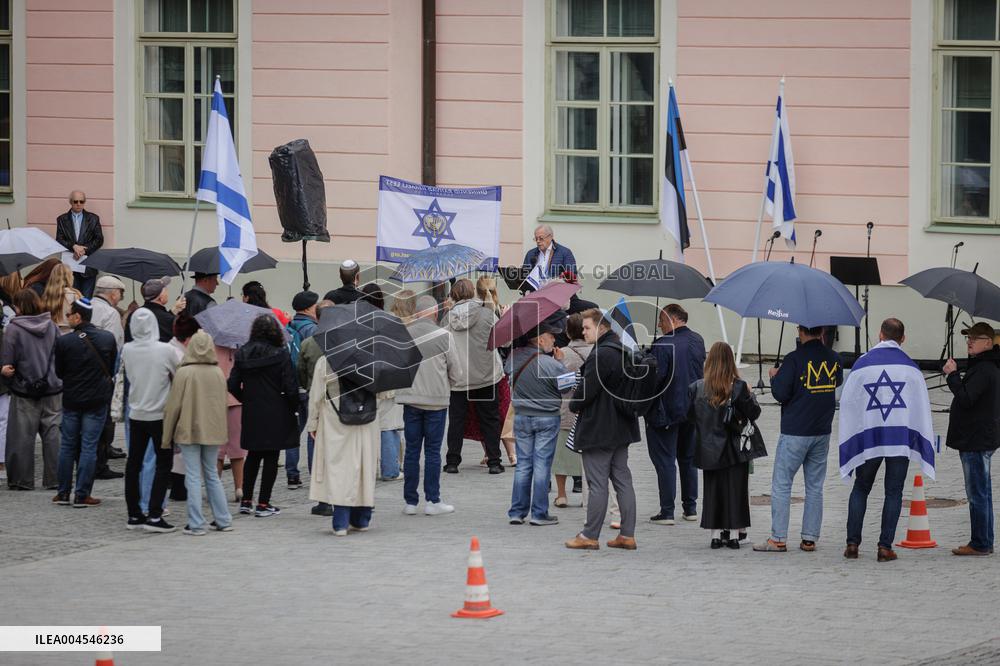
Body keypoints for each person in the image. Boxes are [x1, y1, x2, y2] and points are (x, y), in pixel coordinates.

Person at [839, 318, 935, 562]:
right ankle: (884, 547)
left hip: (869, 437)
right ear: (903, 338)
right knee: (894, 492)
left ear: (880, 335)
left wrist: (853, 432)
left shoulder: (862, 365)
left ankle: (852, 544)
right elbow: (920, 408)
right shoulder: (911, 369)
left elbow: (848, 403)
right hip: (899, 438)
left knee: (861, 487)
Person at [753, 325, 843, 553]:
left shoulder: (794, 358)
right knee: (815, 486)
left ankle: (778, 538)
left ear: (800, 331)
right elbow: (837, 381)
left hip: (795, 430)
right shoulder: (833, 357)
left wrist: (775, 377)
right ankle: (810, 538)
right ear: (822, 332)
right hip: (822, 429)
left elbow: (781, 393)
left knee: (782, 484)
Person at [565, 309, 640, 551]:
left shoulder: (601, 355)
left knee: (597, 483)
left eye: (587, 328)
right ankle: (627, 534)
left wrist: (574, 404)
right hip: (622, 425)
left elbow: (586, 391)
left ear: (602, 327)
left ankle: (589, 535)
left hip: (599, 427)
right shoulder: (622, 350)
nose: (583, 332)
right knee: (623, 480)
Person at [306, 336, 388, 536]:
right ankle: (361, 519)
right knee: (364, 469)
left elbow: (316, 395)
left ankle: (340, 522)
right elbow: (384, 394)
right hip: (366, 422)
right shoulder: (372, 361)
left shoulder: (326, 361)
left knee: (339, 470)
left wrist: (313, 422)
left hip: (335, 421)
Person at [394, 292, 462, 515]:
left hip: (410, 400)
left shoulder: (403, 335)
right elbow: (457, 372)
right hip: (436, 401)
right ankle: (433, 501)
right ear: (434, 312)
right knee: (433, 451)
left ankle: (410, 502)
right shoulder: (444, 336)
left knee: (412, 450)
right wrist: (446, 385)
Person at [162, 329, 233, 536]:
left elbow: (173, 406)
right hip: (213, 430)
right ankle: (223, 519)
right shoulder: (218, 372)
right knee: (211, 474)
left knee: (192, 476)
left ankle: (196, 523)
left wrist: (166, 437)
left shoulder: (184, 372)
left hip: (188, 430)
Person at [688, 342, 758, 550]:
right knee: (736, 489)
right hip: (735, 447)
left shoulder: (697, 387)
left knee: (712, 489)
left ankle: (715, 534)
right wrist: (750, 394)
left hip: (709, 446)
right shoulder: (738, 386)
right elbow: (753, 414)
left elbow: (690, 416)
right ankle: (735, 534)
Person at [228, 314, 299, 518]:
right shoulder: (280, 354)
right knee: (271, 456)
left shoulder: (242, 354)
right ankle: (264, 503)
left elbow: (232, 384)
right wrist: (292, 405)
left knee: (253, 454)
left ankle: (247, 500)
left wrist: (246, 397)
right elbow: (290, 385)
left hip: (252, 409)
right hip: (276, 408)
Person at [52, 298, 117, 507]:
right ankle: (82, 494)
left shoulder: (63, 342)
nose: (67, 318)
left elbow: (59, 372)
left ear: (78, 317)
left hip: (72, 398)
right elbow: (112, 367)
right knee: (89, 446)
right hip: (97, 399)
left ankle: (63, 493)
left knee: (68, 446)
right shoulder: (107, 338)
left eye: (69, 315)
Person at [942, 321, 999, 556]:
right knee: (982, 491)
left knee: (977, 493)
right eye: (968, 339)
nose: (969, 342)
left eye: (974, 339)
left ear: (987, 342)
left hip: (975, 439)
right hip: (982, 436)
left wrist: (953, 376)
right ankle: (985, 539)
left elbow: (966, 398)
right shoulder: (986, 366)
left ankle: (980, 543)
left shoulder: (985, 369)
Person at [506, 316, 570, 526]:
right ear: (540, 340)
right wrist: (561, 362)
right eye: (552, 336)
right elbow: (568, 388)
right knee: (541, 464)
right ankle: (539, 513)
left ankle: (517, 512)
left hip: (522, 416)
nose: (555, 341)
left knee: (523, 464)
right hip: (547, 418)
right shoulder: (551, 364)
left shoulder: (513, 358)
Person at [646, 304, 705, 526]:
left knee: (665, 460)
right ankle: (690, 508)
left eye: (661, 321)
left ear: (671, 319)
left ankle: (667, 511)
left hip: (666, 411)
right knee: (688, 460)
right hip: (693, 410)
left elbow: (655, 381)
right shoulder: (698, 340)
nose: (659, 326)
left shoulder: (663, 345)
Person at [121, 308, 180, 532]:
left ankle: (134, 514)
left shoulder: (127, 349)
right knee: (163, 464)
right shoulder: (165, 350)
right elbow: (178, 374)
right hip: (160, 413)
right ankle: (155, 514)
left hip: (136, 412)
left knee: (133, 464)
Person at [443, 278, 506, 474]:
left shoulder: (448, 318)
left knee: (456, 420)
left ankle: (452, 461)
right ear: (472, 293)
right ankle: (494, 461)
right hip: (486, 375)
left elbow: (443, 347)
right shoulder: (487, 314)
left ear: (453, 295)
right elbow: (504, 342)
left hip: (459, 378)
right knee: (490, 419)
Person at [1, 289, 62, 490]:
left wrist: (7, 373)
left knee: (22, 437)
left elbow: (8, 362)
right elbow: (61, 355)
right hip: (52, 387)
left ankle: (21, 480)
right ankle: (55, 479)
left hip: (24, 389)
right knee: (53, 435)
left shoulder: (13, 329)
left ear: (19, 306)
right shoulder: (52, 326)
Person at [297, 299, 334, 516]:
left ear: (317, 317)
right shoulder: (345, 340)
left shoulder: (309, 343)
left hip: (315, 397)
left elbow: (300, 372)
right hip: (339, 401)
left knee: (315, 443)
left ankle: (321, 494)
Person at [553, 313, 590, 507]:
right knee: (588, 458)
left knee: (561, 456)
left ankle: (561, 495)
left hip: (567, 410)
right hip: (589, 412)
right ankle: (587, 495)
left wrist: (558, 364)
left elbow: (561, 385)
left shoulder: (563, 353)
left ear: (568, 332)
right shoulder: (597, 350)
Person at [284, 290, 319, 490]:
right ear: (308, 308)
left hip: (291, 386)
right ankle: (315, 472)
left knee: (293, 430)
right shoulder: (312, 329)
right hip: (308, 387)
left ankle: (292, 475)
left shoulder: (289, 326)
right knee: (313, 431)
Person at [55, 190, 103, 297]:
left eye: (81, 201)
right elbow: (59, 239)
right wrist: (73, 246)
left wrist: (83, 249)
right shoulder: (62, 219)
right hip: (70, 267)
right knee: (71, 299)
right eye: (75, 201)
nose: (78, 204)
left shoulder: (93, 218)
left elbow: (99, 239)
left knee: (86, 300)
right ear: (70, 202)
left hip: (88, 266)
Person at [125, 277, 181, 343]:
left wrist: (174, 310)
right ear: (161, 298)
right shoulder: (169, 319)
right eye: (166, 290)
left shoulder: (134, 315)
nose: (168, 293)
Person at [41, 263, 81, 333]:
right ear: (69, 277)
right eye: (72, 274)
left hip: (49, 332)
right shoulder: (75, 295)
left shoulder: (46, 295)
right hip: (69, 333)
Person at [92, 275, 126, 350]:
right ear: (114, 294)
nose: (121, 298)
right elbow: (112, 342)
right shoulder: (111, 313)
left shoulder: (87, 306)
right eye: (120, 293)